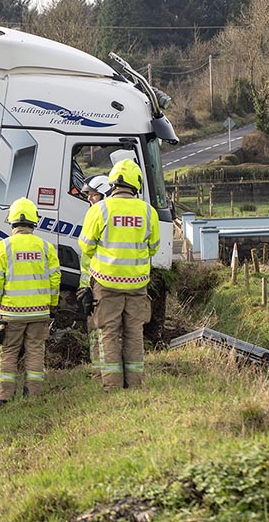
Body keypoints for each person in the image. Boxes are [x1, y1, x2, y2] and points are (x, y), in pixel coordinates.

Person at [78, 160, 160, 391]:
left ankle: (112, 385)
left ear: (113, 183)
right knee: (134, 333)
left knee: (108, 333)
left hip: (106, 282)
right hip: (137, 284)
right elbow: (153, 247)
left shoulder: (100, 209)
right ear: (136, 184)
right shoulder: (147, 211)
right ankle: (134, 384)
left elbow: (85, 246)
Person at [0, 198, 60, 404]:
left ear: (12, 221)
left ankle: (4, 398)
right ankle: (33, 396)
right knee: (35, 351)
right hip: (39, 312)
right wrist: (52, 305)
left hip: (11, 312)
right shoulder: (46, 247)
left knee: (8, 352)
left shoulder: (3, 247)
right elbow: (55, 279)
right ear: (34, 221)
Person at [81, 175, 113, 378]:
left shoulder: (101, 216)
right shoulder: (97, 215)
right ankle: (100, 370)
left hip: (99, 283)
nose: (89, 199)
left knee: (101, 329)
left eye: (93, 195)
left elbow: (86, 247)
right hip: (91, 283)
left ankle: (102, 371)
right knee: (95, 330)